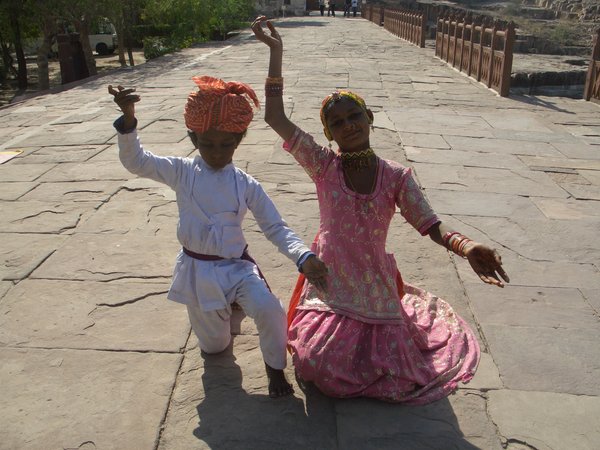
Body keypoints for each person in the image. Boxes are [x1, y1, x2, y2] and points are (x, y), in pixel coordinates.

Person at [251, 17, 510, 405]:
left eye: (354, 116)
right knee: (314, 364)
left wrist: (467, 246)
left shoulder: (396, 177)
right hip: (331, 279)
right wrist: (276, 52)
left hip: (374, 282)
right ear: (329, 134)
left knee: (395, 369)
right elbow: (274, 118)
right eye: (337, 122)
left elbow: (430, 224)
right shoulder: (323, 166)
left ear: (369, 119)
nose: (348, 125)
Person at [107, 76, 328, 398]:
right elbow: (136, 162)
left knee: (270, 310)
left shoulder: (246, 184)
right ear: (193, 138)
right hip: (198, 273)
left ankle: (274, 367)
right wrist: (128, 121)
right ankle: (227, 309)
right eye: (207, 143)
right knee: (214, 347)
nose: (217, 152)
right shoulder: (181, 171)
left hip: (237, 268)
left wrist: (302, 256)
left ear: (239, 141)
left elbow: (275, 226)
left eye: (226, 144)